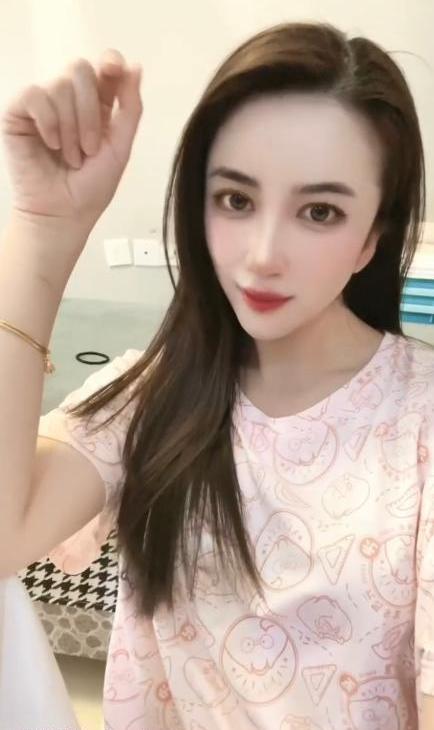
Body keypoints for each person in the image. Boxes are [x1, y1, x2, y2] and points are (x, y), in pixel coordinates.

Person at [0, 19, 433, 730]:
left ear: (372, 239)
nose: (262, 255)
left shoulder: (421, 421)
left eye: (319, 211)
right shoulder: (152, 394)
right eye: (235, 199)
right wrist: (44, 229)